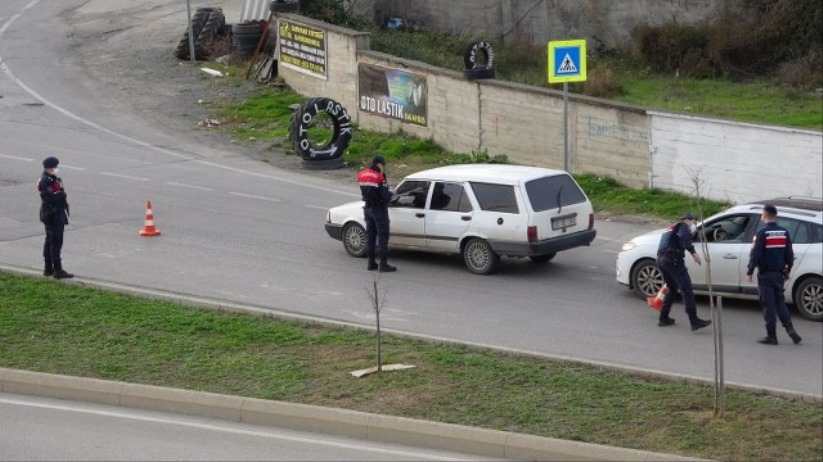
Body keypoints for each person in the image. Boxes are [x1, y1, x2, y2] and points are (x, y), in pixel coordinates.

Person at [746, 204, 801, 345]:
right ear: (775, 216)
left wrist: (750, 271)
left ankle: (772, 336)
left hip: (765, 275)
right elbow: (789, 254)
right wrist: (788, 271)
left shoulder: (762, 233)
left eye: (762, 215)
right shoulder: (784, 232)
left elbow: (755, 254)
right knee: (780, 302)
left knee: (768, 305)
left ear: (764, 216)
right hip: (779, 274)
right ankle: (790, 329)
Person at [655, 213, 711, 331]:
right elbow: (685, 237)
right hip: (673, 260)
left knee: (672, 288)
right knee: (687, 289)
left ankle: (663, 318)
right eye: (693, 222)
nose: (693, 225)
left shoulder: (670, 228)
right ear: (688, 220)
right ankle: (694, 321)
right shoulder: (683, 225)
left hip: (661, 259)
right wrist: (693, 252)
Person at [357, 155, 396, 272]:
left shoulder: (361, 174)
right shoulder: (380, 177)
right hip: (379, 209)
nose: (383, 168)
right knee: (383, 236)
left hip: (367, 208)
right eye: (383, 165)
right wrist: (392, 194)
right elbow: (385, 195)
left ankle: (371, 263)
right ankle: (383, 265)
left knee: (371, 236)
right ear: (379, 164)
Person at [37, 156, 74, 279]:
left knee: (50, 241)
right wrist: (62, 194)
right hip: (52, 214)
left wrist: (60, 194)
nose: (56, 169)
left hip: (55, 213)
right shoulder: (45, 181)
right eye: (55, 166)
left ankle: (48, 269)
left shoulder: (52, 178)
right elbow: (51, 197)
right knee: (55, 242)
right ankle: (57, 270)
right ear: (49, 167)